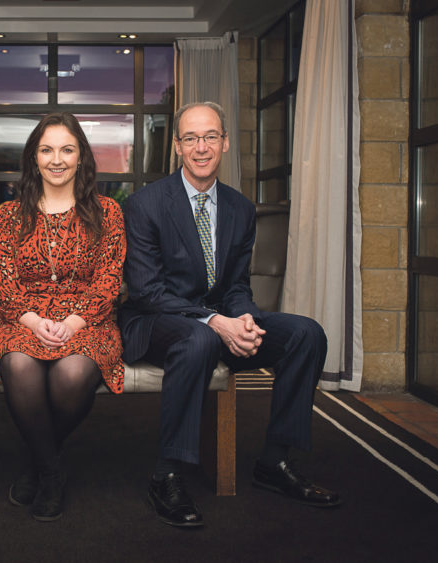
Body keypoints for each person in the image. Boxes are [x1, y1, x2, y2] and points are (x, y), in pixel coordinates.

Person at [119, 102, 340, 528]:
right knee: (199, 338)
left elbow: (237, 285)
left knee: (305, 334)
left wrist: (244, 320)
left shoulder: (240, 208)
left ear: (224, 142)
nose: (201, 147)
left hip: (218, 321)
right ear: (178, 148)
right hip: (154, 322)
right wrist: (214, 322)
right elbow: (147, 290)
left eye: (210, 137)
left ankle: (274, 463)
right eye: (190, 138)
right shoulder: (146, 205)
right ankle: (167, 474)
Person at [0, 112, 126, 522]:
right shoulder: (9, 215)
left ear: (81, 156)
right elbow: (4, 281)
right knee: (19, 362)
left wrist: (74, 322)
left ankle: (36, 463)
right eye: (47, 150)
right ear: (34, 158)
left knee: (71, 373)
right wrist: (32, 321)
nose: (57, 159)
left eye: (67, 149)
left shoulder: (108, 212)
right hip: (22, 319)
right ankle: (53, 471)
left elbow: (109, 280)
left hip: (89, 322)